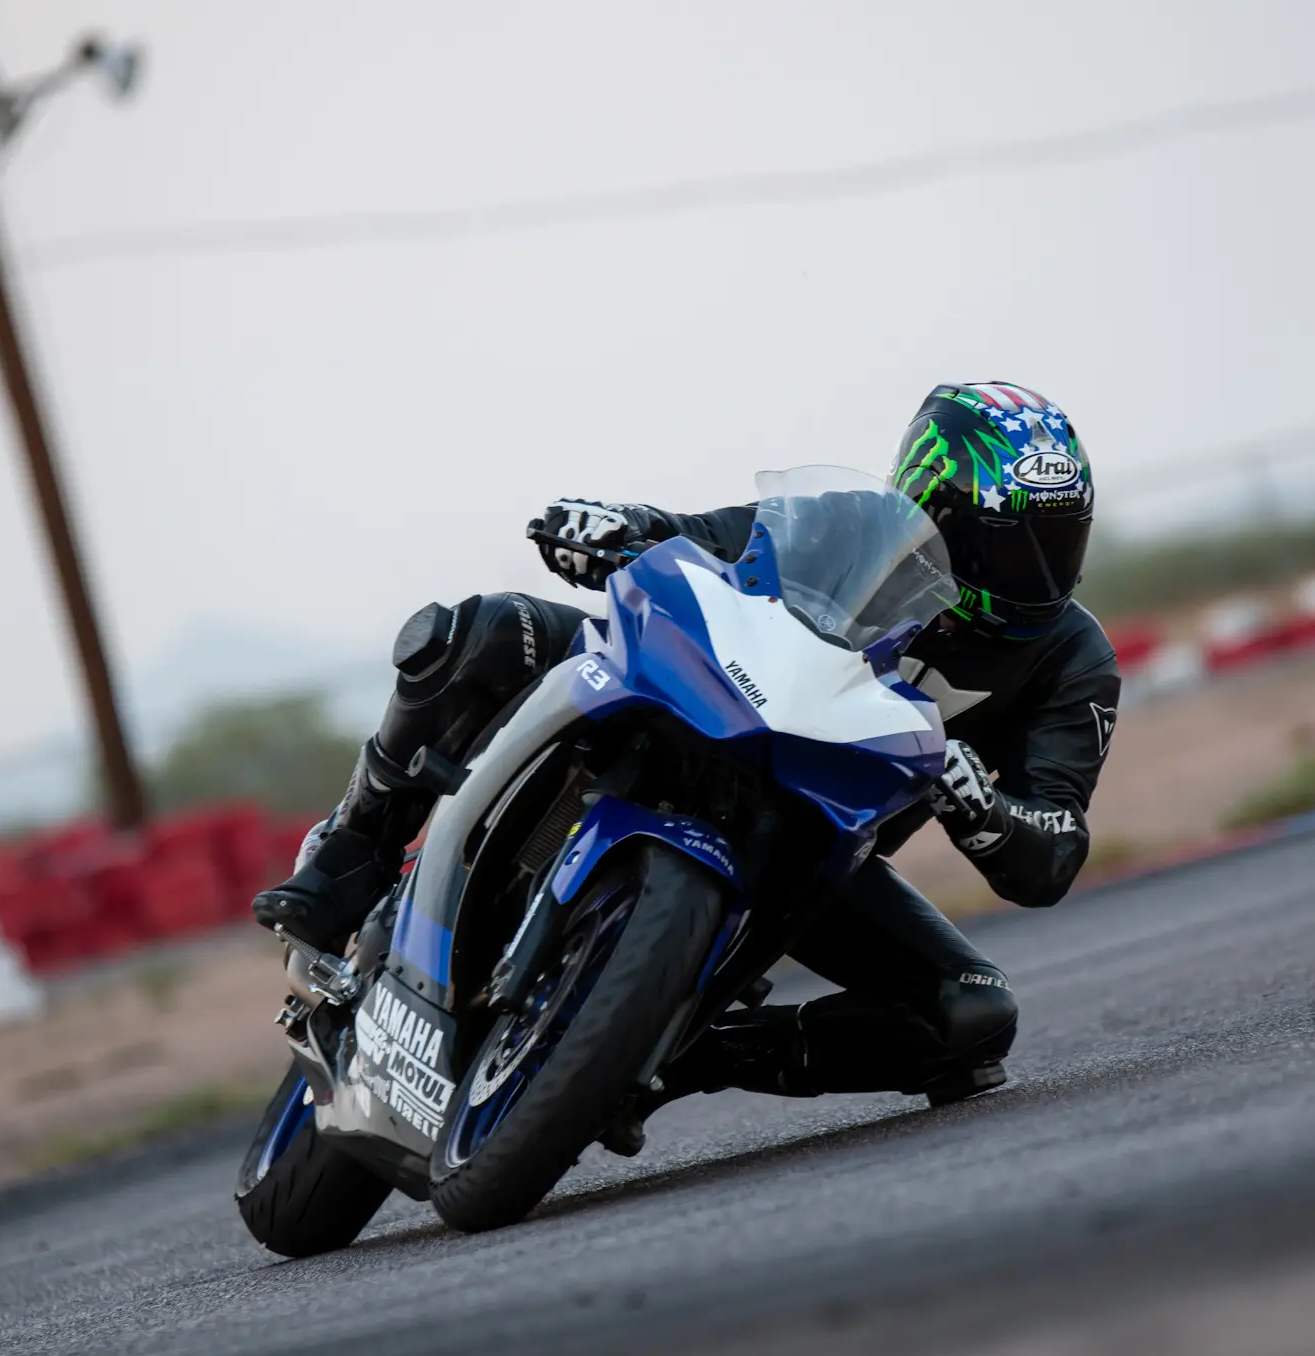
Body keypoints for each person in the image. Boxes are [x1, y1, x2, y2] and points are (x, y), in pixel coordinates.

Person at [253, 381, 1120, 1146]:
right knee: (478, 631)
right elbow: (696, 540)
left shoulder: (1073, 658)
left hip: (817, 847)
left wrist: (986, 808)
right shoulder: (850, 526)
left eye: (1058, 541)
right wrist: (618, 528)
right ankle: (351, 853)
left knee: (972, 1012)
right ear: (939, 509)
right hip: (689, 708)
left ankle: (682, 1051)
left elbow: (1052, 850)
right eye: (1010, 545)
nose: (1036, 574)